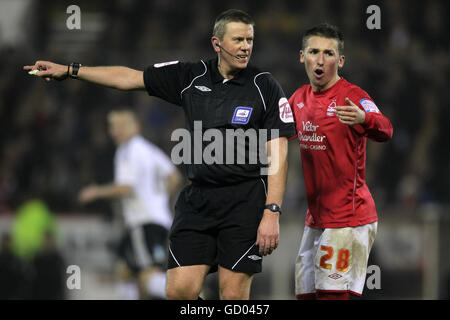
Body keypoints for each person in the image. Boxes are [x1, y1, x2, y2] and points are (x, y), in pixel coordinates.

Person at [24, 9, 296, 300]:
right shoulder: (190, 76)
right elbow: (129, 78)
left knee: (232, 297)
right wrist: (71, 70)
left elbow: (278, 153)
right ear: (217, 43)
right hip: (198, 201)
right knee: (179, 291)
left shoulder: (264, 86)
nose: (246, 46)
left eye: (250, 40)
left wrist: (272, 211)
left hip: (244, 200)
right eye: (238, 39)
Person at [288, 23, 393, 300]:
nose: (320, 60)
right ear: (302, 56)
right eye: (314, 51)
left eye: (329, 53)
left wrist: (364, 119)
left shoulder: (352, 96)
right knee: (305, 295)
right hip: (316, 219)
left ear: (340, 60)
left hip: (349, 217)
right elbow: (274, 135)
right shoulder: (298, 98)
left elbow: (386, 128)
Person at [78, 109, 182, 299]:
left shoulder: (128, 150)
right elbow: (174, 176)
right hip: (157, 221)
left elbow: (125, 188)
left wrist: (96, 192)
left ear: (136, 126)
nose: (116, 131)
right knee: (125, 272)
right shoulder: (148, 148)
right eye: (113, 126)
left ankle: (190, 296)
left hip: (143, 223)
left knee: (147, 276)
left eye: (122, 126)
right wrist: (158, 199)